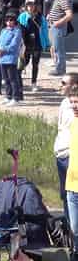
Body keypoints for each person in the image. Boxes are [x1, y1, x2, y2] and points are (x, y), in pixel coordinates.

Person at [56, 75, 78, 229]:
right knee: (66, 196)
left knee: (73, 197)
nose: (61, 85)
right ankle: (71, 238)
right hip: (60, 155)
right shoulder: (64, 103)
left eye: (64, 83)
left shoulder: (75, 108)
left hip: (72, 156)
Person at [18, 0, 49, 92]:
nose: (30, 7)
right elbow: (18, 29)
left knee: (35, 64)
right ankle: (18, 81)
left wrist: (47, 43)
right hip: (26, 43)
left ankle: (34, 83)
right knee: (23, 63)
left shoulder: (40, 17)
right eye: (28, 5)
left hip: (37, 42)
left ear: (35, 6)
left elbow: (44, 30)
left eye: (32, 5)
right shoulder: (22, 16)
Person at [0, 11, 24, 106]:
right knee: (5, 79)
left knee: (13, 79)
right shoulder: (4, 30)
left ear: (15, 21)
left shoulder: (17, 31)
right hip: (2, 58)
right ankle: (8, 96)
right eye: (7, 20)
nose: (9, 22)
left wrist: (3, 49)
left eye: (11, 20)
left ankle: (16, 98)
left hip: (11, 58)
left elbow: (14, 45)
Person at [47, 0, 73, 77]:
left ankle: (60, 70)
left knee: (59, 49)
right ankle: (59, 68)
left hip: (58, 27)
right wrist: (50, 15)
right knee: (56, 48)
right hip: (53, 26)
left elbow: (69, 15)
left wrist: (59, 22)